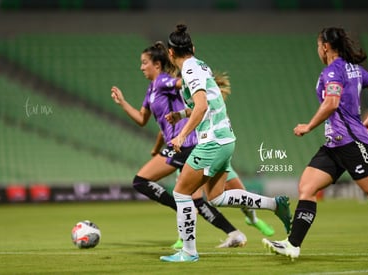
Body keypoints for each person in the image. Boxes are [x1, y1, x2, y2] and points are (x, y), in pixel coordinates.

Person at [110, 41, 272, 250]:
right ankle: (234, 233)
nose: (141, 67)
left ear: (157, 64)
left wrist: (203, 82)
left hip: (187, 142)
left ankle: (190, 217)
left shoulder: (164, 81)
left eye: (144, 63)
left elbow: (182, 84)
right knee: (201, 199)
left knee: (142, 181)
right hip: (181, 143)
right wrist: (123, 103)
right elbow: (145, 120)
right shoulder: (151, 89)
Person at [160, 24, 292, 262]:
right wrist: (181, 115)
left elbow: (201, 106)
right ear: (193, 47)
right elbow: (208, 103)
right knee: (216, 197)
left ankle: (188, 252)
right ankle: (274, 204)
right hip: (225, 138)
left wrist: (181, 135)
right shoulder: (200, 65)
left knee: (181, 192)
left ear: (171, 53)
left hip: (213, 141)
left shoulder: (189, 70)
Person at [262, 27, 368, 260]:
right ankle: (293, 245)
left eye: (318, 45)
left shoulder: (333, 71)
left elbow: (332, 103)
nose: (317, 50)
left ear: (325, 46)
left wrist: (308, 126)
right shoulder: (354, 69)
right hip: (335, 145)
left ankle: (293, 243)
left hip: (351, 142)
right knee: (307, 186)